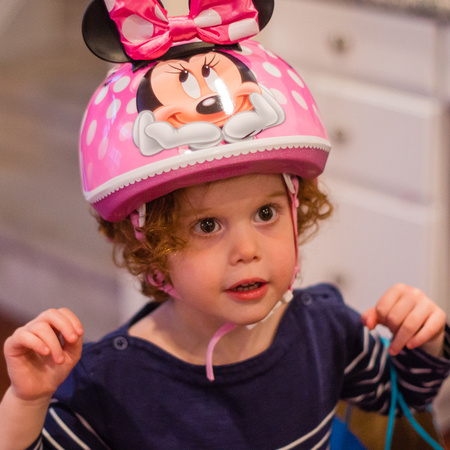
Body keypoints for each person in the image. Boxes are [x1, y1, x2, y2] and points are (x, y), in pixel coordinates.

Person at [1, 0, 449, 448]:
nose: (247, 250)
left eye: (266, 214)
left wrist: (425, 339)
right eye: (208, 225)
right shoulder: (110, 385)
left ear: (296, 208)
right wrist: (26, 401)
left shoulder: (325, 330)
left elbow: (403, 393)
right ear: (150, 246)